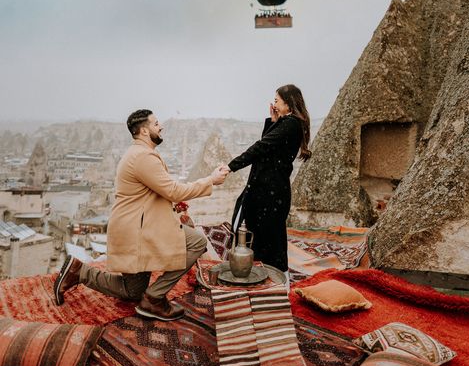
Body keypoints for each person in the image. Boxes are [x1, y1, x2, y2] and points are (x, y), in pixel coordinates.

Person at [54, 109, 228, 320]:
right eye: (156, 124)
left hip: (135, 229)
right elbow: (173, 190)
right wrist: (210, 179)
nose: (161, 126)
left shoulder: (138, 153)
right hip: (138, 233)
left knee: (132, 291)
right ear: (144, 131)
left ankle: (80, 272)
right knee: (197, 242)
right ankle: (154, 298)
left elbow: (158, 192)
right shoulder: (143, 157)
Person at [223, 85, 311, 275]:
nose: (274, 104)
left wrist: (231, 166)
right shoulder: (286, 123)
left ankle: (274, 278)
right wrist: (273, 120)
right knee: (264, 235)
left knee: (270, 237)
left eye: (277, 100)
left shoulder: (291, 124)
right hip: (266, 189)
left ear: (288, 104)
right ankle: (264, 275)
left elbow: (262, 147)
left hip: (270, 192)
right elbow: (269, 146)